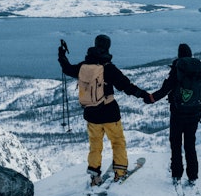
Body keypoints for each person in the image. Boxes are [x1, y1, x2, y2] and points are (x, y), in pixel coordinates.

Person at [58, 34, 153, 187]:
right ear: (108, 47)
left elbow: (67, 69)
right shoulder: (108, 68)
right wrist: (144, 96)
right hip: (110, 113)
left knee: (95, 146)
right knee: (117, 142)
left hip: (91, 114)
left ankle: (95, 177)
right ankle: (120, 173)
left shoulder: (84, 66)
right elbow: (126, 86)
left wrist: (61, 55)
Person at [150, 43, 201, 191]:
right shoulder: (198, 70)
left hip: (178, 113)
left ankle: (176, 175)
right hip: (193, 113)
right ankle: (192, 176)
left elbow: (165, 89)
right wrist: (199, 112)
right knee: (190, 145)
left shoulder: (177, 69)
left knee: (176, 144)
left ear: (179, 55)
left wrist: (150, 98)